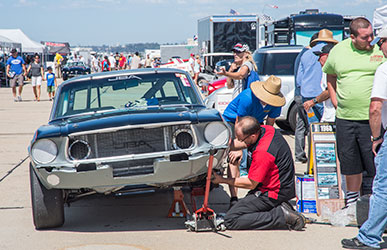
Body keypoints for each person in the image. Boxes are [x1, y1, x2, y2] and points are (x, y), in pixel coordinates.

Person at [323, 17, 385, 206]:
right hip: (345, 118)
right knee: (350, 163)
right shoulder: (339, 50)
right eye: (365, 37)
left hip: (374, 120)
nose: (371, 40)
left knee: (376, 163)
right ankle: (352, 203)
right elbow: (330, 74)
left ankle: (377, 203)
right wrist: (334, 99)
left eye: (372, 35)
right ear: (352, 37)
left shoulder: (379, 50)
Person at [212, 116, 305, 231]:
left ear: (253, 136)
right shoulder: (266, 130)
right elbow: (240, 144)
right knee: (241, 209)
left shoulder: (263, 152)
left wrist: (222, 180)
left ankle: (281, 216)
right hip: (277, 186)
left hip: (273, 192)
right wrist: (218, 146)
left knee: (231, 219)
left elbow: (251, 183)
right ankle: (280, 207)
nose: (239, 142)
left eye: (241, 139)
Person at [341, 26, 387, 250]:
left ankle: (369, 237)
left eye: (382, 40)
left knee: (383, 187)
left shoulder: (384, 69)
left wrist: (377, 137)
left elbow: (375, 108)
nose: (378, 44)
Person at [222, 75, 285, 207]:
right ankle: (234, 198)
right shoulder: (247, 98)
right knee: (235, 159)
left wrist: (266, 144)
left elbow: (269, 125)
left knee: (258, 158)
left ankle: (256, 192)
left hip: (256, 124)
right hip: (234, 122)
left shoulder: (275, 102)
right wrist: (239, 148)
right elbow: (240, 125)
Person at [297, 29, 338, 124]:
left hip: (307, 95)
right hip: (322, 97)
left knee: (313, 127)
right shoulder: (333, 54)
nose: (319, 60)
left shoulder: (305, 54)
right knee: (326, 126)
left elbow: (299, 80)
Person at [294, 32, 319, 163]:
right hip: (309, 96)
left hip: (300, 95)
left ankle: (299, 155)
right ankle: (313, 158)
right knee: (313, 127)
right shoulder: (312, 55)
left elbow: (299, 79)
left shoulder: (302, 54)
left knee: (301, 125)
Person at [303, 43, 337, 122]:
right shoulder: (326, 71)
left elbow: (329, 90)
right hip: (329, 115)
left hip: (334, 116)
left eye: (320, 56)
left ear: (328, 56)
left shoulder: (333, 71)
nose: (318, 60)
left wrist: (313, 101)